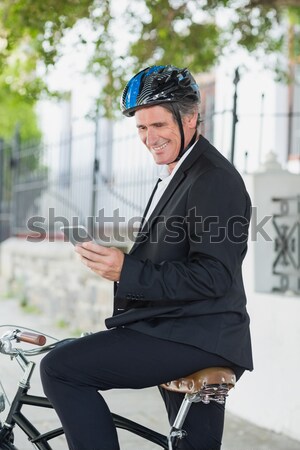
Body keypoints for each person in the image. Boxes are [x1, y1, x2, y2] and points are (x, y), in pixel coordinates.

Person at [40, 65, 253, 450]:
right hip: (181, 327)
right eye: (141, 128)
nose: (149, 138)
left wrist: (127, 269)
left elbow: (214, 276)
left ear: (189, 118)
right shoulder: (179, 172)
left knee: (61, 369)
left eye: (158, 125)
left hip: (197, 333)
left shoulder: (213, 179)